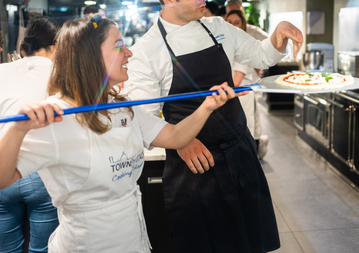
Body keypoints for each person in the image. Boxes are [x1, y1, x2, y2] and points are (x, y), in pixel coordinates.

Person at [0, 15, 239, 253]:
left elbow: (175, 136)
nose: (129, 53)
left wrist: (208, 105)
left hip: (135, 241)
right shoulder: (57, 117)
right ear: (89, 56)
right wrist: (16, 129)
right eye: (118, 46)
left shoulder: (122, 106)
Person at [126, 0, 303, 253]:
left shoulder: (218, 28)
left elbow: (260, 55)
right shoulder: (147, 51)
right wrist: (179, 140)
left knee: (251, 243)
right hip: (197, 169)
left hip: (240, 152)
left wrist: (278, 36)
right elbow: (141, 118)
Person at [0, 16, 59, 253]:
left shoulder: (3, 70)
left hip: (3, 168)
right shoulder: (62, 74)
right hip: (41, 173)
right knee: (43, 250)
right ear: (56, 46)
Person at [225, 0, 271, 159]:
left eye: (236, 22)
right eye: (229, 22)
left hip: (242, 94)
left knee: (248, 134)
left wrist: (261, 61)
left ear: (243, 24)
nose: (232, 26)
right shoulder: (226, 45)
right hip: (233, 96)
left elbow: (235, 81)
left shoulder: (242, 46)